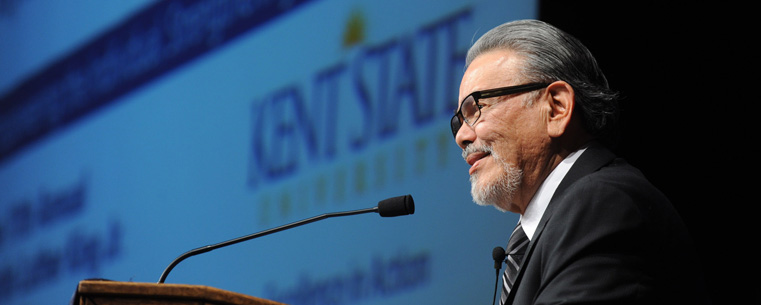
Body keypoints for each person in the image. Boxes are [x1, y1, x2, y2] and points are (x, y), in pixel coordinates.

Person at [450, 19, 709, 305]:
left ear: (557, 107)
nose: (462, 136)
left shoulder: (601, 204)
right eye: (458, 120)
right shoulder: (559, 222)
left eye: (476, 108)